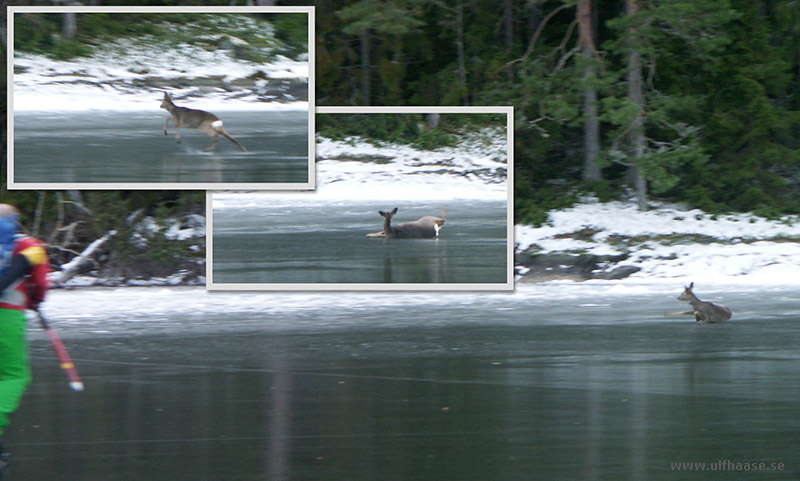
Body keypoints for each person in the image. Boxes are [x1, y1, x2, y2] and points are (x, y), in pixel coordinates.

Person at [0, 204, 49, 473]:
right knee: (14, 375)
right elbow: (40, 285)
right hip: (6, 317)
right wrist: (36, 300)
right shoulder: (30, 246)